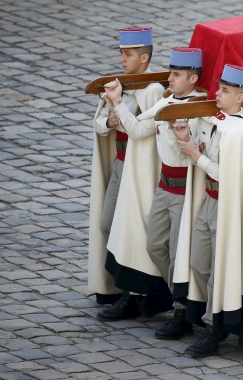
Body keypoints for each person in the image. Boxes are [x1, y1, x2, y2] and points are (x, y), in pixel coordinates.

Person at [102, 47, 203, 339]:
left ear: (193, 79)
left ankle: (183, 310)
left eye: (176, 74)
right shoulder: (165, 104)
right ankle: (175, 298)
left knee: (177, 252)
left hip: (186, 191)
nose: (169, 78)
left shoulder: (200, 108)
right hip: (163, 189)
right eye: (171, 73)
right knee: (155, 246)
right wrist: (117, 102)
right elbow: (136, 130)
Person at [170, 64, 243, 357]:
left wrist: (196, 156)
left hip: (228, 208)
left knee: (220, 270)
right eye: (219, 88)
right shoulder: (216, 120)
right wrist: (187, 140)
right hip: (209, 202)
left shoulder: (239, 132)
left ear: (240, 98)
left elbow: (228, 177)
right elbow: (201, 155)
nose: (217, 94)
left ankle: (216, 329)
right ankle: (206, 316)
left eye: (225, 91)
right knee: (199, 263)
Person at [89, 27, 166, 319]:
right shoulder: (120, 84)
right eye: (121, 53)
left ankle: (134, 295)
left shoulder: (154, 89)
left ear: (145, 57)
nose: (123, 59)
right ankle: (124, 289)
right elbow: (98, 124)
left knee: (133, 230)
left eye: (129, 54)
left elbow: (142, 132)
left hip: (140, 170)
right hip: (121, 164)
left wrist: (120, 111)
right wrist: (109, 121)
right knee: (109, 223)